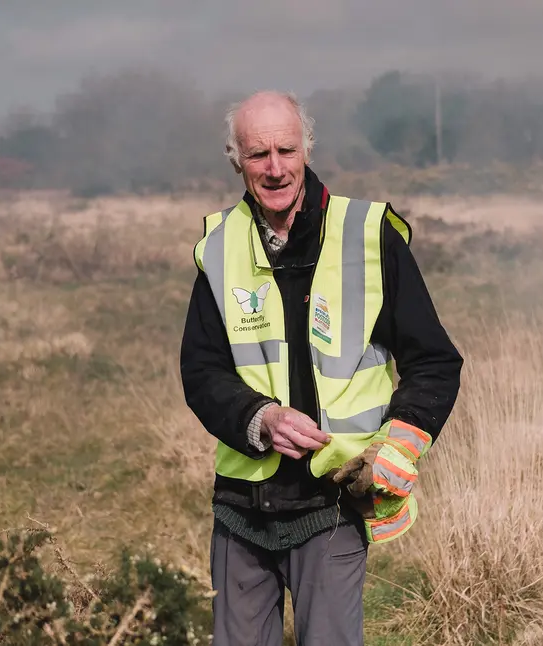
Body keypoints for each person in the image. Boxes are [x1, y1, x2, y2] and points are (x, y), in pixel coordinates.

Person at [179, 90, 463, 646]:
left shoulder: (369, 235)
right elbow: (202, 370)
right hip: (241, 507)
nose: (275, 167)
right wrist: (259, 418)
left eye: (286, 149)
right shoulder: (218, 246)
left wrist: (396, 446)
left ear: (307, 147)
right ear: (235, 159)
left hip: (333, 502)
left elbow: (435, 362)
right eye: (258, 154)